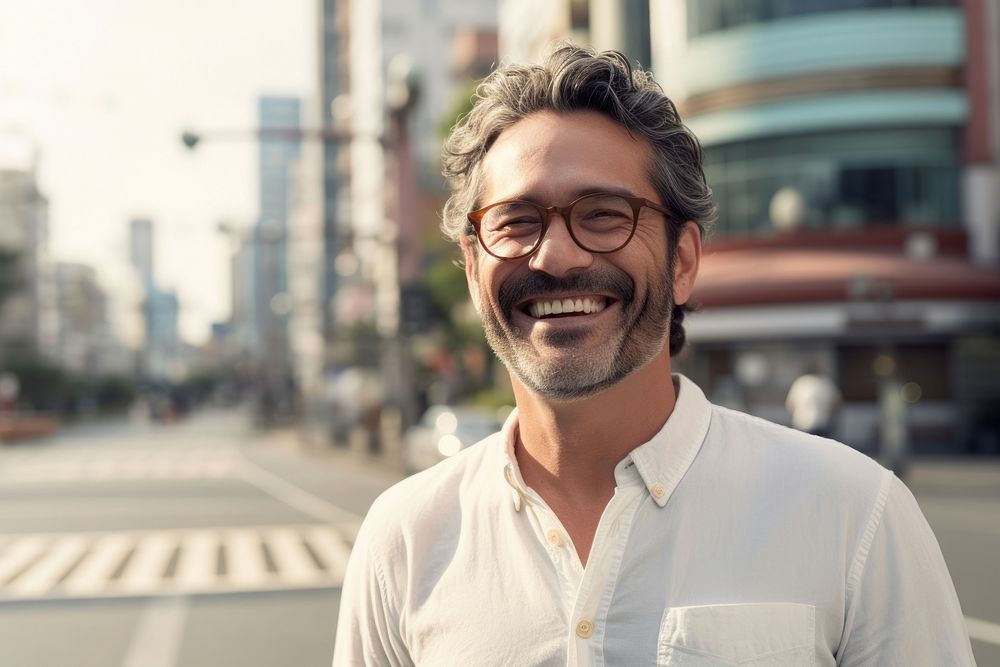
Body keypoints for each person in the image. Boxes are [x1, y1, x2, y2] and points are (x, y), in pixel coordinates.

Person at [333, 45, 974, 666]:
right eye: (515, 221)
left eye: (605, 214)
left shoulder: (854, 513)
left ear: (684, 260)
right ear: (474, 270)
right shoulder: (405, 540)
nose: (556, 256)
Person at [786, 370, 842, 438]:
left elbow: (790, 403)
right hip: (821, 423)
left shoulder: (800, 382)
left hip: (802, 423)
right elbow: (836, 403)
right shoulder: (826, 382)